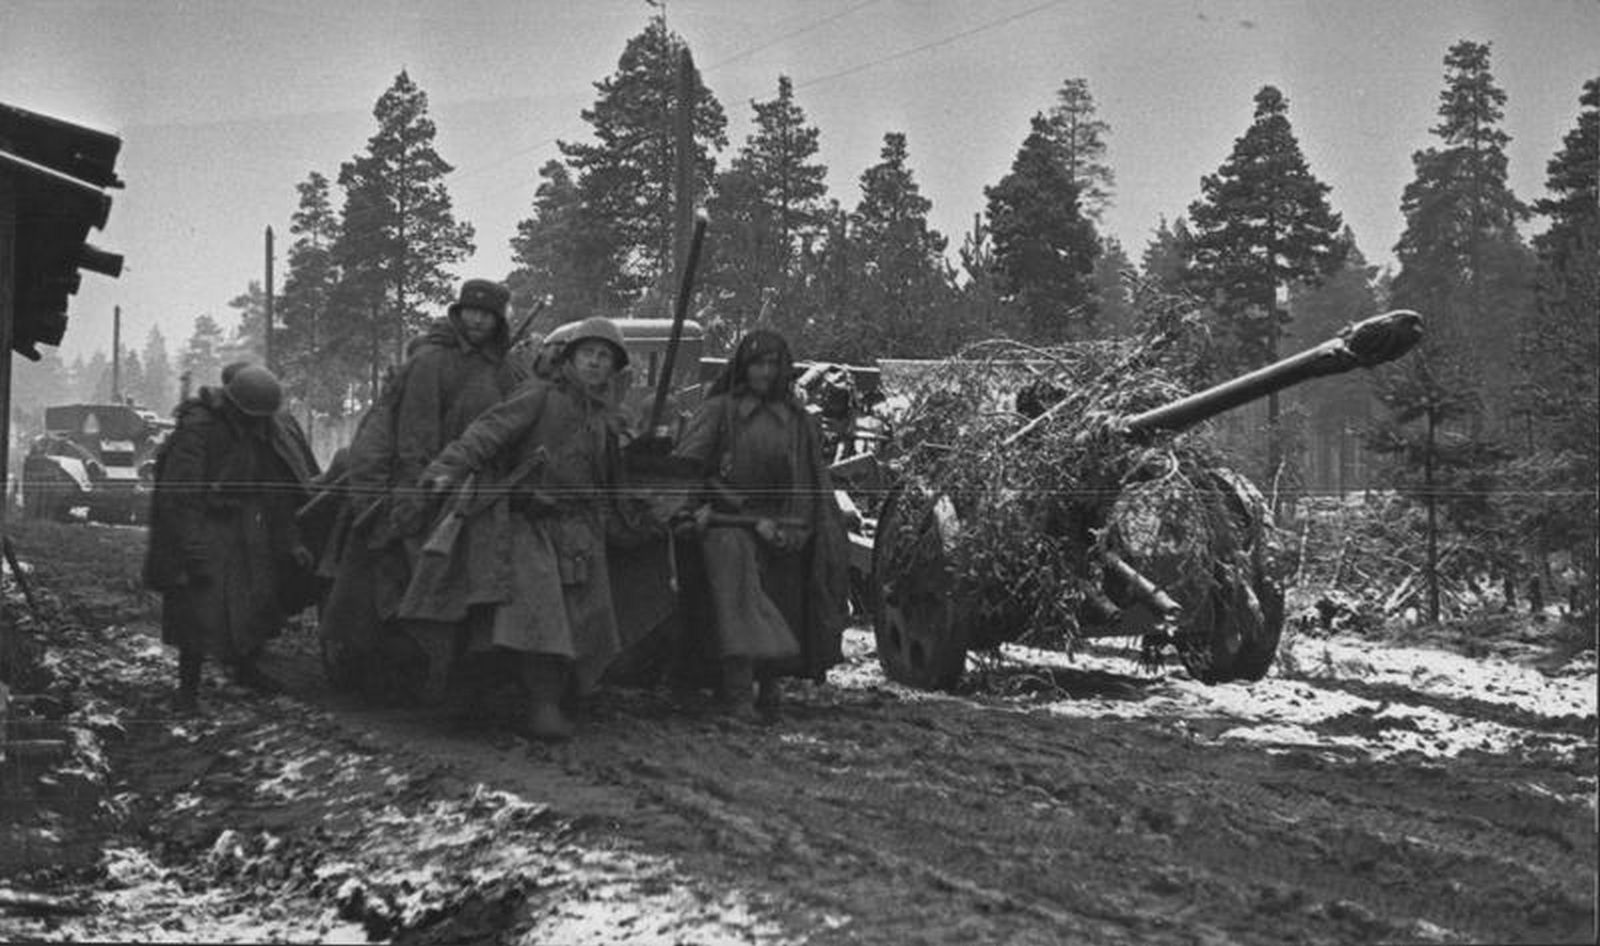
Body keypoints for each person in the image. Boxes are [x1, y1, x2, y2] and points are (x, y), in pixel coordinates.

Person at [407, 317, 629, 741]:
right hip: (529, 524)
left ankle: (559, 696)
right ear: (570, 358)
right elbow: (488, 432)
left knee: (585, 620)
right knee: (540, 619)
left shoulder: (605, 417)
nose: (595, 364)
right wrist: (447, 468)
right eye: (588, 354)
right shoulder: (539, 396)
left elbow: (609, 478)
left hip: (580, 530)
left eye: (604, 358)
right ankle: (540, 708)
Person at [314, 278, 526, 700]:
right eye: (471, 311)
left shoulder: (507, 368)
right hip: (428, 488)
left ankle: (466, 675)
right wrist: (422, 491)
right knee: (403, 582)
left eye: (487, 314)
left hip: (481, 491)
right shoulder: (432, 362)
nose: (478, 320)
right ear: (458, 312)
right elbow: (416, 433)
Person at [672, 329, 851, 720]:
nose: (765, 372)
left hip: (781, 526)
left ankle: (770, 686)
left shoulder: (797, 421)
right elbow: (688, 471)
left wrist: (794, 529)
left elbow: (807, 480)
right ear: (743, 366)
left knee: (784, 600)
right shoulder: (719, 410)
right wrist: (698, 510)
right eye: (757, 363)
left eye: (773, 364)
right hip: (725, 524)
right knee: (739, 602)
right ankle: (737, 691)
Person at [143, 364, 320, 712]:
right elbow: (181, 493)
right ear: (235, 406)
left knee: (255, 600)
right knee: (196, 609)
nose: (259, 423)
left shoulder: (262, 429)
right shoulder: (199, 429)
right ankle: (187, 691)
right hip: (205, 524)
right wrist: (190, 545)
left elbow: (275, 492)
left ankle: (245, 667)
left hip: (246, 526)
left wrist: (289, 541)